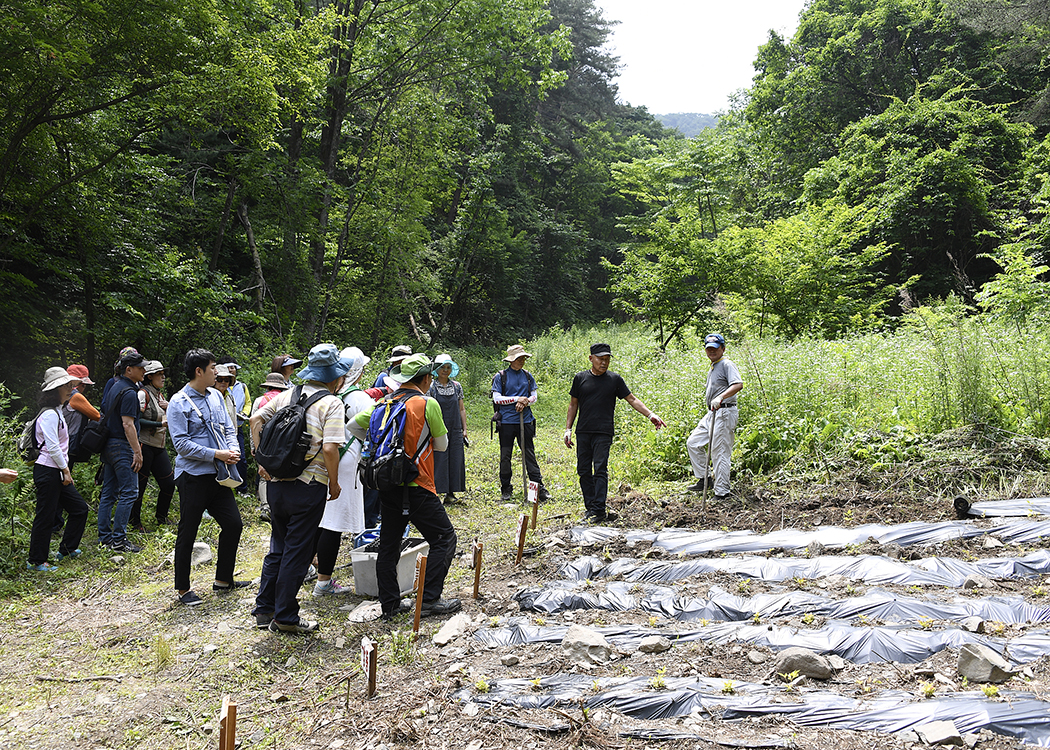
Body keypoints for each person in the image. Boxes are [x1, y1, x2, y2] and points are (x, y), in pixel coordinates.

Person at [349, 353, 460, 621]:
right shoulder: (426, 403)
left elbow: (352, 425)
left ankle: (390, 605)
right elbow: (443, 445)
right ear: (424, 379)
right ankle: (430, 599)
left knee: (389, 546)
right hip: (418, 483)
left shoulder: (382, 404)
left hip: (388, 484)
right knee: (444, 538)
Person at [250, 344, 348, 634]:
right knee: (299, 550)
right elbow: (330, 448)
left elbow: (255, 420)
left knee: (278, 547)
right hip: (309, 487)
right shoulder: (331, 403)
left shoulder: (285, 396)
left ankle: (265, 608)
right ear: (335, 377)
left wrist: (260, 459)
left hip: (277, 485)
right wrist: (333, 481)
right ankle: (286, 616)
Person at [167, 349, 248, 606]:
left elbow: (227, 427)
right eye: (213, 368)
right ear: (199, 371)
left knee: (234, 524)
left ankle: (223, 580)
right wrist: (217, 453)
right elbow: (181, 445)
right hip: (192, 476)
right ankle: (183, 589)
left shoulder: (215, 395)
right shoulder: (178, 402)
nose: (218, 372)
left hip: (218, 475)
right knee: (188, 531)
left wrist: (232, 449)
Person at [564, 343, 666, 523]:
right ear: (591, 359)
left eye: (607, 359)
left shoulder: (614, 380)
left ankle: (599, 510)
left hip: (604, 431)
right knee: (583, 470)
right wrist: (568, 429)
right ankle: (590, 508)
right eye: (600, 359)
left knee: (600, 468)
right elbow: (573, 404)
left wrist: (651, 415)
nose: (604, 363)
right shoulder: (580, 378)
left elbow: (631, 399)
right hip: (584, 430)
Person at [310, 347, 372, 597]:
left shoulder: (323, 395)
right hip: (345, 464)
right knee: (333, 524)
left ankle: (309, 564)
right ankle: (324, 582)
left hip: (319, 462)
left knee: (318, 518)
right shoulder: (362, 400)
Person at [28, 367, 90, 571]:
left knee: (79, 509)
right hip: (48, 470)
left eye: (70, 385)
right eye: (66, 386)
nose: (70, 389)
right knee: (45, 516)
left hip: (55, 470)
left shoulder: (57, 411)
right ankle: (37, 561)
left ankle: (67, 549)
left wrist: (62, 470)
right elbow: (52, 446)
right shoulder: (49, 415)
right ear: (55, 390)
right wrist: (65, 470)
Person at [97, 350, 146, 553]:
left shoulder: (115, 386)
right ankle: (119, 540)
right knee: (129, 492)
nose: (144, 371)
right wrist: (137, 451)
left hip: (109, 444)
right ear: (129, 369)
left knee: (108, 492)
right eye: (141, 368)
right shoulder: (129, 392)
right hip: (121, 445)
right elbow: (128, 425)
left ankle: (105, 538)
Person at [686, 333, 744, 500]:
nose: (711, 351)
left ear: (723, 349)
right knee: (693, 443)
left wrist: (721, 397)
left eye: (715, 348)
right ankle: (705, 479)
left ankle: (722, 492)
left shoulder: (726, 364)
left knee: (719, 452)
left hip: (725, 411)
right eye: (709, 349)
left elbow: (738, 384)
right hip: (712, 413)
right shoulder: (713, 366)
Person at [492, 344, 547, 503]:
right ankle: (506, 488)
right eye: (519, 358)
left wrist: (525, 403)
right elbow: (497, 398)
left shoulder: (528, 376)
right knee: (505, 456)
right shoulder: (501, 376)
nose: (522, 361)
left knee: (529, 454)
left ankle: (537, 489)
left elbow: (534, 397)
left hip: (526, 420)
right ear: (511, 360)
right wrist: (517, 399)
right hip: (507, 421)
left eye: (523, 358)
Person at [52, 364, 99, 536]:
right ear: (79, 383)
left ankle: (55, 522)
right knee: (62, 485)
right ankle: (55, 524)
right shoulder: (76, 396)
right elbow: (97, 415)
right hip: (66, 447)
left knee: (58, 484)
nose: (85, 388)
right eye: (85, 384)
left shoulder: (59, 395)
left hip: (58, 445)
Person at [132, 360, 176, 529]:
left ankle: (161, 517)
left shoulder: (160, 395)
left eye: (163, 374)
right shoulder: (143, 394)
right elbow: (136, 420)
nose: (163, 377)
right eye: (159, 374)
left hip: (159, 446)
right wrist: (160, 425)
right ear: (149, 377)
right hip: (144, 445)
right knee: (140, 486)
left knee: (169, 484)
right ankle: (135, 522)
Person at [250, 372, 292, 521]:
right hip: (281, 442)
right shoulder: (288, 400)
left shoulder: (260, 400)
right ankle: (279, 507)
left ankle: (265, 506)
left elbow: (253, 423)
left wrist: (254, 446)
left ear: (267, 386)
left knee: (263, 475)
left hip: (262, 441)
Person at [428, 354, 467, 503]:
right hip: (438, 428)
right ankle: (436, 492)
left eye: (448, 367)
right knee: (439, 458)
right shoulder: (431, 387)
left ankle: (451, 494)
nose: (445, 370)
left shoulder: (456, 386)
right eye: (442, 367)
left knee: (455, 458)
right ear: (436, 369)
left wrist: (464, 429)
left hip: (455, 427)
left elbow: (461, 409)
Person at [224, 361, 252, 494]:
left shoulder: (242, 386)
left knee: (241, 458)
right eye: (228, 367)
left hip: (238, 427)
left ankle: (242, 488)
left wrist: (245, 413)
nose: (231, 370)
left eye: (233, 367)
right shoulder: (220, 386)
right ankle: (225, 487)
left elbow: (248, 403)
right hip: (223, 428)